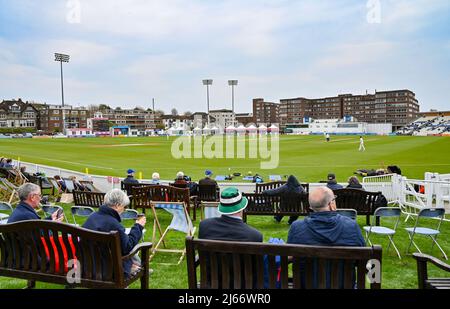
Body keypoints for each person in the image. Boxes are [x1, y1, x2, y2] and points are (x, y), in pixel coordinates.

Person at [83, 189, 146, 277]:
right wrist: (138, 226)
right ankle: (137, 267)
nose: (124, 210)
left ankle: (135, 266)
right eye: (124, 207)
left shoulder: (92, 217)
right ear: (117, 206)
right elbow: (127, 247)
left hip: (88, 267)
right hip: (109, 271)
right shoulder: (113, 224)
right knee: (132, 252)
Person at [287, 187, 365, 247]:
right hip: (342, 268)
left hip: (308, 268)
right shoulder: (351, 226)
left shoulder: (296, 227)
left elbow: (290, 256)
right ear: (331, 204)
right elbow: (363, 257)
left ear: (311, 207)